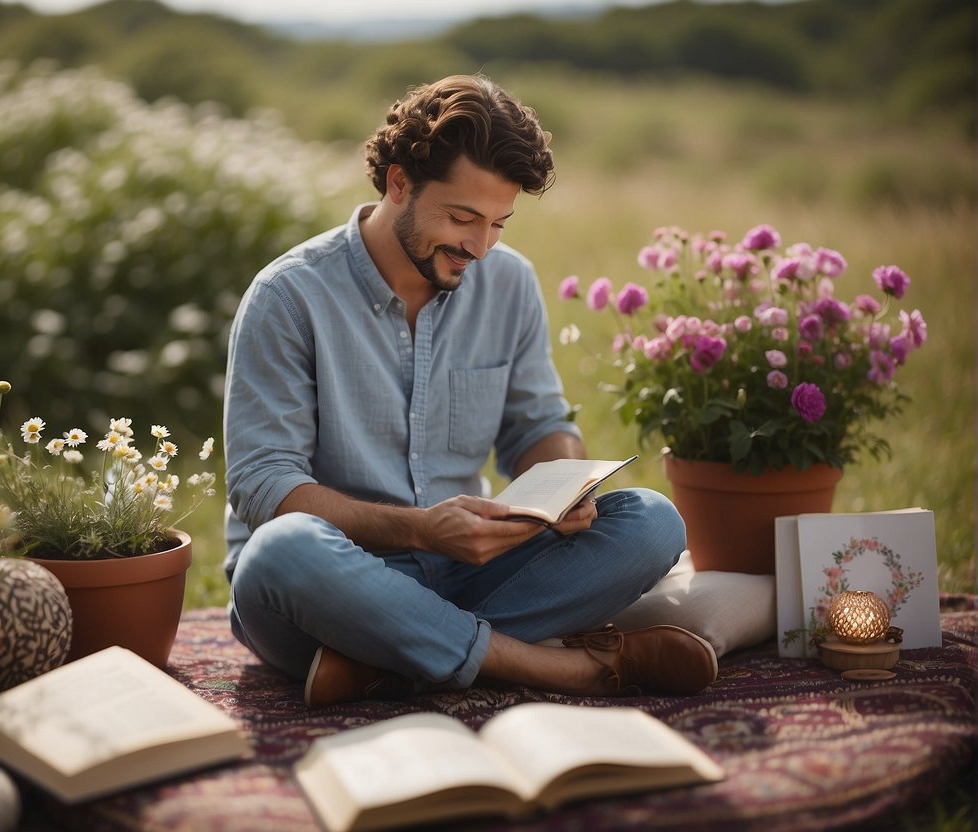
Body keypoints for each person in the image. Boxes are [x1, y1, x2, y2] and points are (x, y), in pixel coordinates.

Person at [222, 74, 716, 707]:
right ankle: (562, 669)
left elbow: (536, 426)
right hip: (333, 584)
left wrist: (561, 482)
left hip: (472, 572)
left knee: (652, 521)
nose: (480, 247)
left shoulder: (509, 284)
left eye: (499, 224)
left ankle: (385, 664)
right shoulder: (288, 298)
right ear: (398, 182)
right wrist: (423, 531)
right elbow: (264, 488)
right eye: (461, 218)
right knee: (279, 553)